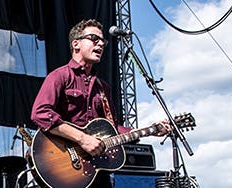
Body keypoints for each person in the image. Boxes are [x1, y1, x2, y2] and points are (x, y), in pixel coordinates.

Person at [31, 19, 172, 187]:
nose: (100, 44)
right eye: (93, 38)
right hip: (65, 166)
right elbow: (40, 113)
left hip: (96, 169)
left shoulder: (103, 87)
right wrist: (83, 139)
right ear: (76, 44)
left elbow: (113, 128)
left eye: (102, 41)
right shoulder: (60, 76)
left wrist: (149, 130)